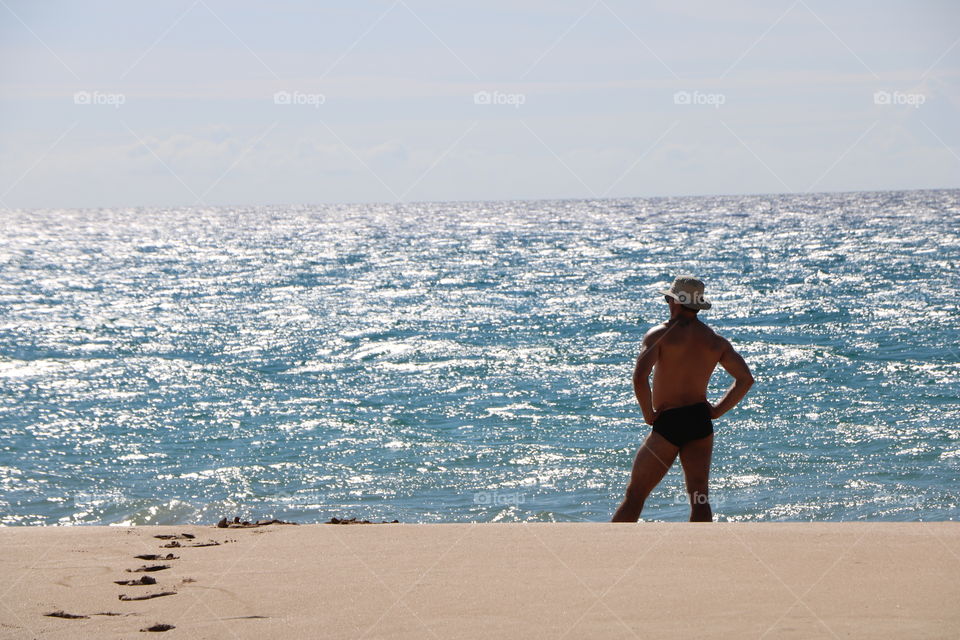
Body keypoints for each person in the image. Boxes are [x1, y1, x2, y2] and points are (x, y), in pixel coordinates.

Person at [611, 276, 754, 522]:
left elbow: (640, 378)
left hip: (670, 421)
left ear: (674, 301)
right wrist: (717, 411)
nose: (666, 301)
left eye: (668, 298)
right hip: (700, 420)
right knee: (699, 496)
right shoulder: (714, 340)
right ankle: (701, 554)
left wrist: (648, 414)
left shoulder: (661, 335)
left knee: (636, 494)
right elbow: (745, 379)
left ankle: (609, 552)